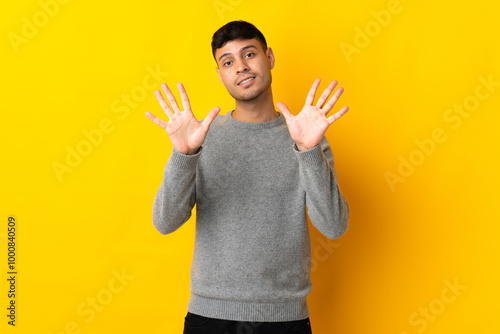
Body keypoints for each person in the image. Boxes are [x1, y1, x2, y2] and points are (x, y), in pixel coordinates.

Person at [145, 20, 350, 334]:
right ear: (220, 73)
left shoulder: (307, 137)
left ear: (268, 58)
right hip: (209, 316)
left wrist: (307, 151)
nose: (240, 67)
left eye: (249, 54)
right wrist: (184, 155)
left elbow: (334, 226)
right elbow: (165, 221)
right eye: (228, 62)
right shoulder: (201, 137)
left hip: (284, 319)